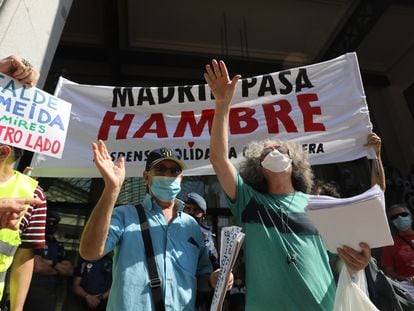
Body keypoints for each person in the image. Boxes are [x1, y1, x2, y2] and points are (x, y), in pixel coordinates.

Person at [204, 59, 371, 310]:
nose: (274, 151)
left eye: (280, 149)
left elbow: (342, 260)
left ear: (294, 164)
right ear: (258, 168)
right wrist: (222, 105)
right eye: (266, 152)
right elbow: (218, 159)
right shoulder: (248, 200)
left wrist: (357, 263)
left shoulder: (320, 206)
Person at [80, 143, 230, 310]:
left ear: (181, 178)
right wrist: (111, 190)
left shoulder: (191, 225)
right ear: (146, 177)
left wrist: (214, 279)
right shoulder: (124, 215)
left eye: (174, 171)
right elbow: (89, 252)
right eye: (160, 169)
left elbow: (201, 276)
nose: (168, 175)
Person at [24, 210, 74, 311]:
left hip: (51, 294)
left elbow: (69, 271)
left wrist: (51, 263)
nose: (51, 225)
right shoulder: (36, 241)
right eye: (49, 222)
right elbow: (37, 267)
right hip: (32, 292)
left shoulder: (58, 246)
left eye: (54, 223)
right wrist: (57, 268)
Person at [381, 203, 414, 295]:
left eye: (403, 214)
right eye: (395, 217)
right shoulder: (390, 244)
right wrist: (406, 279)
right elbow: (389, 272)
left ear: (410, 216)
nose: (400, 218)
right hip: (408, 287)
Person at [184, 192, 219, 269]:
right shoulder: (174, 230)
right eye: (188, 209)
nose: (191, 213)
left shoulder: (206, 236)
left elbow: (214, 261)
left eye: (196, 210)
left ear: (203, 215)